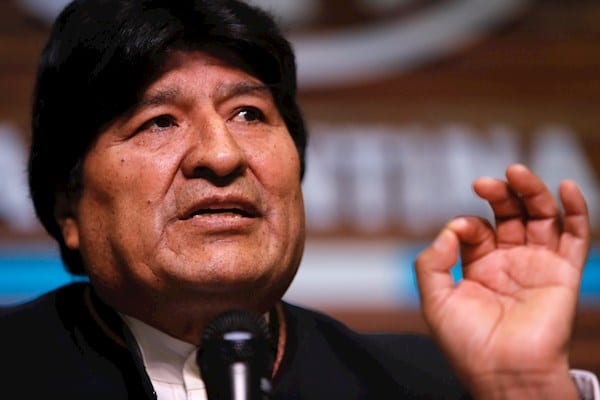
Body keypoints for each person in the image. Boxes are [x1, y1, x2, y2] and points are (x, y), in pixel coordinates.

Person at [1, 0, 597, 398]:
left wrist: (525, 390)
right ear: (67, 204)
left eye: (249, 113)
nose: (222, 155)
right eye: (159, 122)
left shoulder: (434, 387)